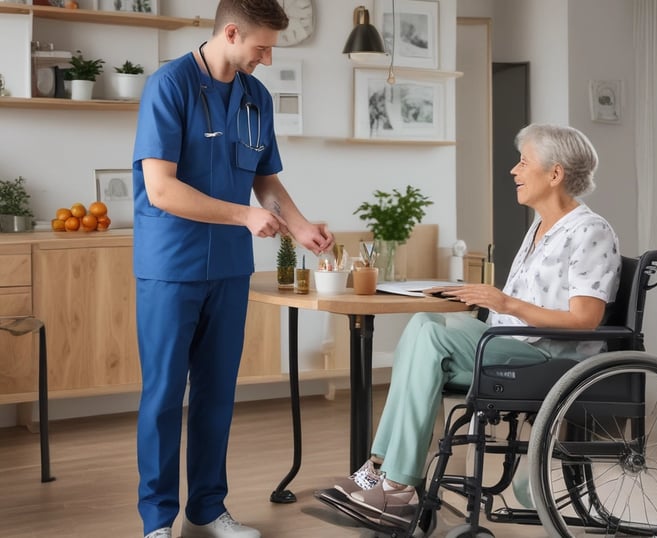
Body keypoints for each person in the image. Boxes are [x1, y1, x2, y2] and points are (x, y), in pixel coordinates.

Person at [330, 123, 621, 524]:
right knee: (424, 320)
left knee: (431, 338)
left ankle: (399, 485)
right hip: (509, 339)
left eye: (523, 162)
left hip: (549, 355)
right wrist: (483, 298)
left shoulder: (590, 231)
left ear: (555, 174)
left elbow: (585, 320)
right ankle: (379, 467)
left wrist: (504, 302)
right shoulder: (540, 227)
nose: (513, 171)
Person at [132, 2, 334, 538]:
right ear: (230, 32)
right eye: (261, 47)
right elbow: (161, 188)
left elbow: (265, 180)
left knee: (217, 393)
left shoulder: (255, 96)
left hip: (227, 267)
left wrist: (299, 227)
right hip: (170, 265)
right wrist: (244, 215)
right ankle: (157, 521)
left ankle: (206, 507)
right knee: (163, 396)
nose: (267, 58)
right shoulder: (168, 86)